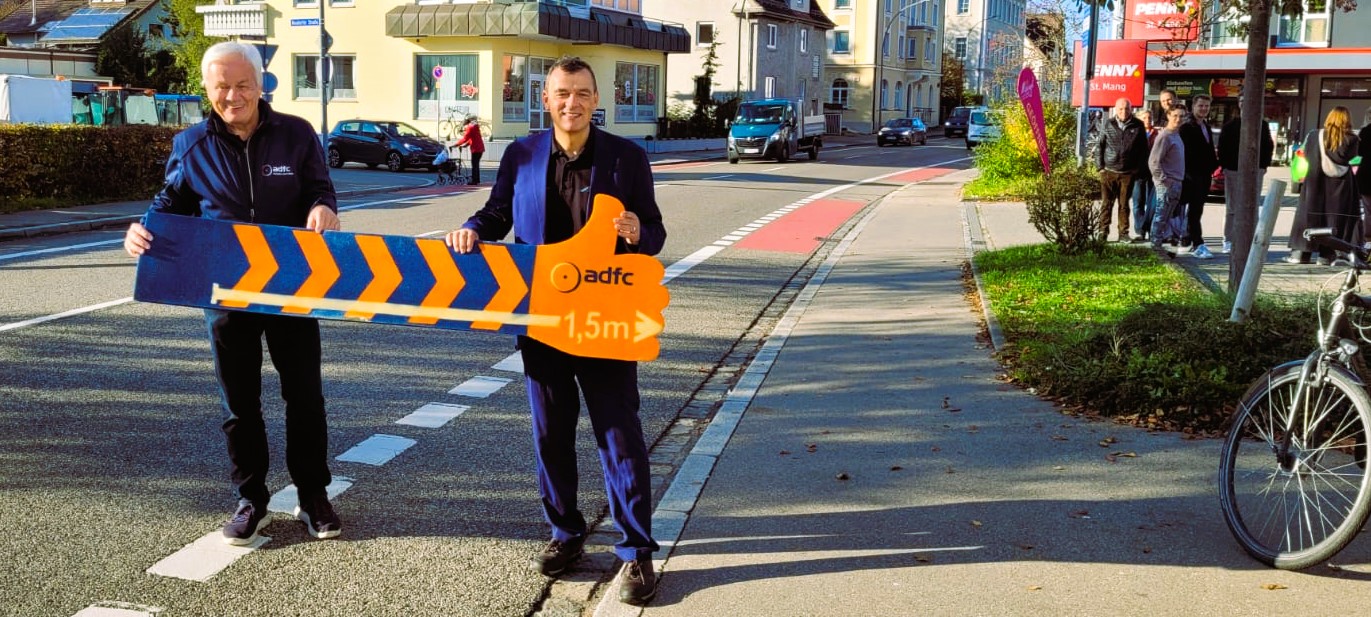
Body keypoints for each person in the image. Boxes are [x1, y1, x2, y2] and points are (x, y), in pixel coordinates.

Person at [444, 56, 666, 606]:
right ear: (546, 100)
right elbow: (498, 214)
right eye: (562, 93)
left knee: (619, 435)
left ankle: (636, 552)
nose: (572, 103)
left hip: (606, 320)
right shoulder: (521, 155)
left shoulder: (627, 157)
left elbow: (656, 233)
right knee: (551, 432)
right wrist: (473, 229)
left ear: (597, 100)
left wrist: (638, 231)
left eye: (583, 94)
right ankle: (565, 534)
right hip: (541, 317)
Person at [122, 41, 343, 546]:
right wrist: (140, 232)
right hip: (224, 294)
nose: (233, 96)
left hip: (291, 285)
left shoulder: (297, 133)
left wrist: (324, 208)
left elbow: (320, 189)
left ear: (262, 83)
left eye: (243, 84)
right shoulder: (191, 144)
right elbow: (169, 207)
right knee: (239, 403)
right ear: (208, 88)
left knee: (304, 397)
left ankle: (313, 495)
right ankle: (252, 500)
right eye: (222, 86)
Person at [1287, 106, 1361, 265]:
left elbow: (1305, 154)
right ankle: (1326, 255)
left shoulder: (1314, 136)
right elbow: (1353, 159)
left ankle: (1301, 254)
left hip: (1315, 183)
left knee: (1309, 216)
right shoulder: (1352, 139)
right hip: (1341, 185)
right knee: (1335, 219)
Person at [1217, 104, 1275, 253]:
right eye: (1242, 101)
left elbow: (1268, 145)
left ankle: (1251, 240)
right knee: (1233, 207)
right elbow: (1222, 146)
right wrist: (1226, 166)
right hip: (1233, 170)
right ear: (1239, 104)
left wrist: (1263, 166)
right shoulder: (1230, 126)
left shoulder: (1262, 124)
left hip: (1255, 170)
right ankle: (1229, 239)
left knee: (1253, 205)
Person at [1096, 97, 1149, 241]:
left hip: (1128, 173)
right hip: (1109, 171)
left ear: (1131, 109)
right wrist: (1100, 167)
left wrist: (1138, 169)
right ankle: (1103, 232)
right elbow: (1100, 146)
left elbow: (1143, 150)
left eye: (1127, 108)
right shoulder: (1108, 124)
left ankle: (1123, 233)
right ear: (1115, 109)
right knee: (1106, 204)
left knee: (1124, 205)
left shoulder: (1138, 125)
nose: (1124, 111)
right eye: (1120, 108)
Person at [1178, 94, 1219, 259]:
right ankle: (1197, 243)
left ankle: (1187, 239)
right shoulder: (1187, 127)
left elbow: (1209, 149)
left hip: (1204, 174)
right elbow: (1187, 152)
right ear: (1193, 107)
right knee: (1194, 210)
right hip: (1191, 175)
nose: (1204, 109)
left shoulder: (1206, 126)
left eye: (1206, 106)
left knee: (1197, 209)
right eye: (1201, 106)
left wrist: (1213, 166)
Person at [1150, 106, 1188, 251]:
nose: (1178, 119)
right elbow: (1153, 161)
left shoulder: (1176, 135)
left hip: (1176, 182)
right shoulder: (1164, 136)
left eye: (1182, 116)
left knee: (1167, 216)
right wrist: (1164, 180)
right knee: (1161, 215)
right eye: (1175, 116)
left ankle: (1159, 245)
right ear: (1168, 116)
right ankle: (1155, 246)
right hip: (1167, 183)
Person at [1131, 108, 1159, 243]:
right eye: (1144, 118)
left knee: (1152, 203)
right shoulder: (1134, 132)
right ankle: (1140, 231)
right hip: (1138, 173)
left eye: (1149, 117)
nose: (1147, 120)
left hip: (1153, 173)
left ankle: (1150, 229)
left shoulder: (1157, 134)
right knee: (1138, 203)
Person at [453, 115, 486, 185]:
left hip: (476, 149)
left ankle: (474, 181)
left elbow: (465, 138)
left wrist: (456, 144)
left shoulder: (470, 128)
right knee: (476, 164)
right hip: (480, 148)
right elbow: (473, 138)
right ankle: (477, 179)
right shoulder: (475, 126)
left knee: (474, 165)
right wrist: (467, 145)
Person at [1357, 108, 1371, 247]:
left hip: (1367, 174)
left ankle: (1368, 239)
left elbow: (1359, 152)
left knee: (1368, 210)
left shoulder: (1365, 132)